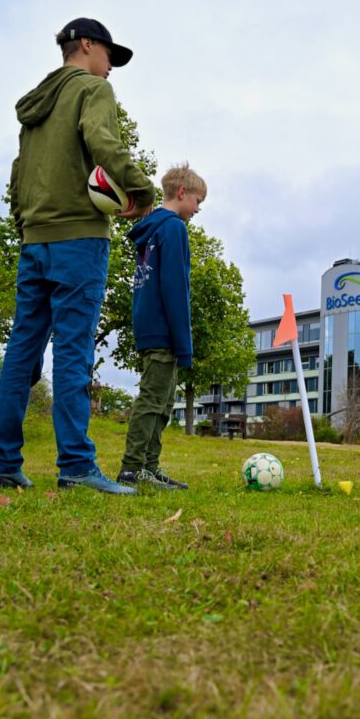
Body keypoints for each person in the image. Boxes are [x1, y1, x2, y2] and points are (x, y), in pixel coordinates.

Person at [0, 17, 156, 495]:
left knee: (21, 351)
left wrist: (26, 225)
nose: (110, 69)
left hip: (35, 239)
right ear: (85, 46)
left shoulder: (36, 105)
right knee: (74, 351)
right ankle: (78, 467)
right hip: (79, 240)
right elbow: (104, 144)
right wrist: (142, 192)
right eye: (108, 57)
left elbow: (18, 174)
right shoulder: (91, 91)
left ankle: (2, 463)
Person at [117, 163, 206, 490]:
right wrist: (184, 343)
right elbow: (175, 288)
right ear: (182, 193)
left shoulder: (150, 228)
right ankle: (131, 469)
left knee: (164, 402)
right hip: (165, 331)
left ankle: (149, 467)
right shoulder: (172, 229)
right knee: (153, 401)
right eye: (198, 201)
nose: (197, 209)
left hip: (150, 326)